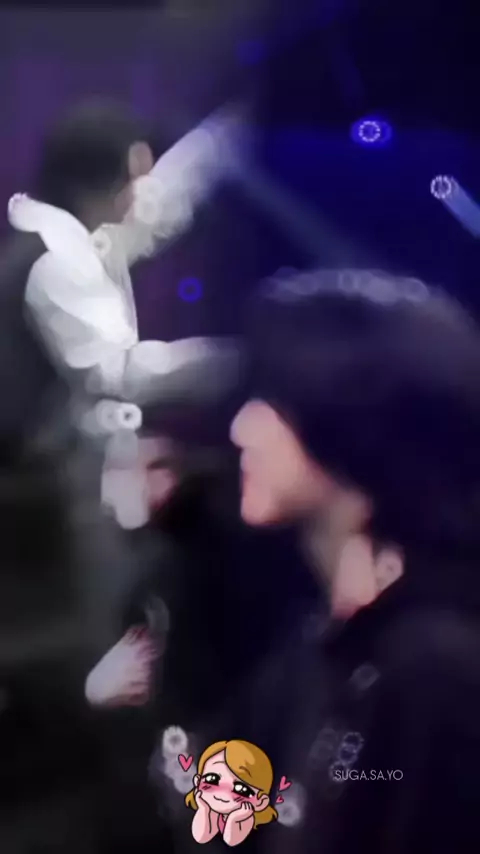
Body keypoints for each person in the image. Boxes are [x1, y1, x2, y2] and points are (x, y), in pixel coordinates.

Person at [223, 269, 480, 853]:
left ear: (353, 430)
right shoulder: (315, 646)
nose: (240, 429)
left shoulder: (436, 673)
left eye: (277, 404)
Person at [1, 98, 242, 463]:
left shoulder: (76, 230)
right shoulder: (56, 261)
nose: (146, 189)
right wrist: (232, 361)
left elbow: (161, 207)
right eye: (137, 178)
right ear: (98, 184)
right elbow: (118, 373)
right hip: (34, 473)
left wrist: (234, 130)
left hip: (53, 459)